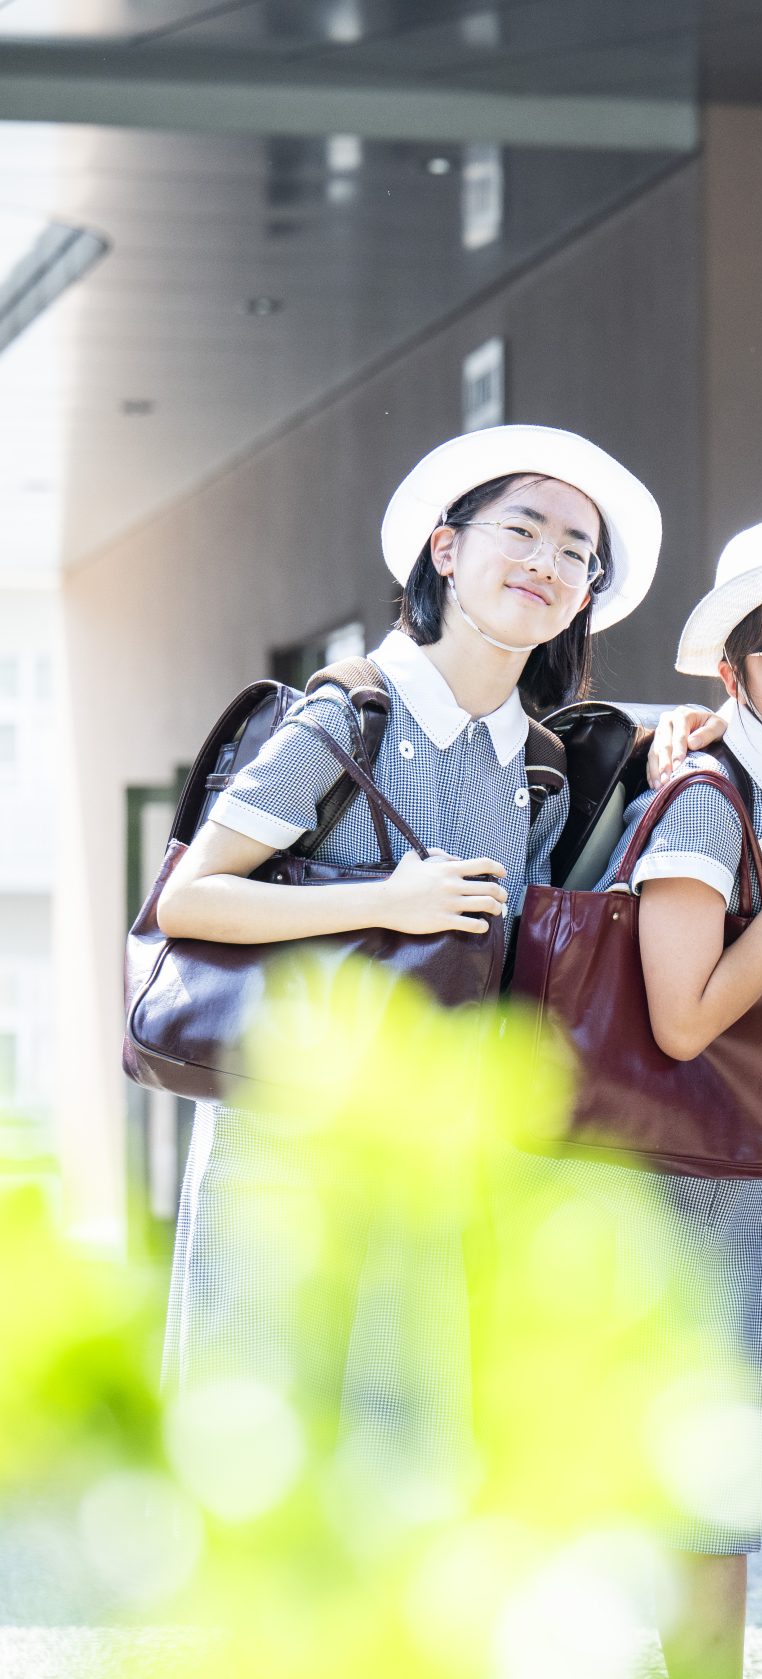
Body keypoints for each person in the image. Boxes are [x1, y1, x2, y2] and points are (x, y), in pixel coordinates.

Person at [158, 424, 661, 1481]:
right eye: (522, 530)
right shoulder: (345, 719)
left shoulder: (539, 765)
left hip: (436, 1161)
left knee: (405, 1480)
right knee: (272, 1471)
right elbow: (193, 900)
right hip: (288, 1151)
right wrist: (386, 898)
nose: (549, 563)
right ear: (445, 549)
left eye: (577, 552)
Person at [544, 517, 762, 1679]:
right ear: (732, 675)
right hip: (639, 1193)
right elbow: (684, 1017)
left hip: (698, 1184)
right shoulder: (709, 800)